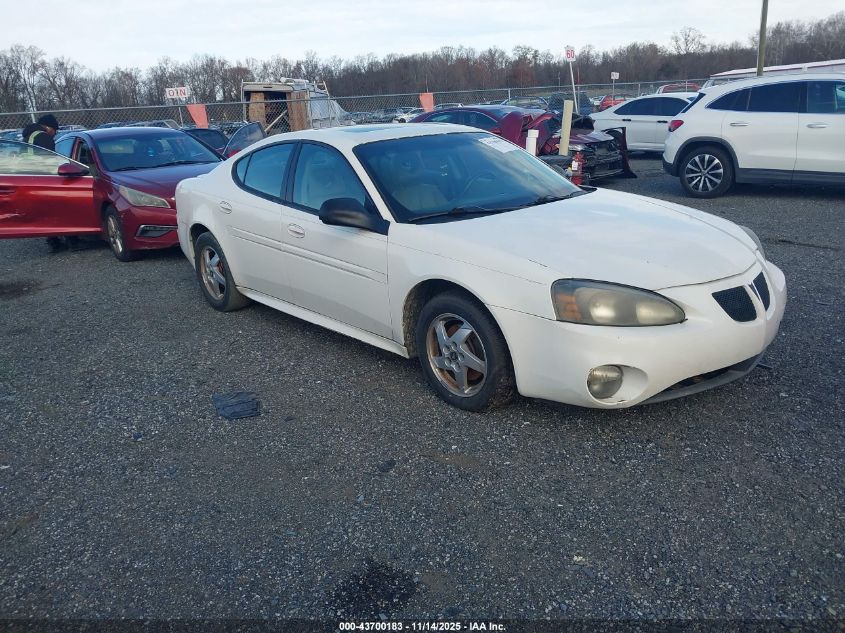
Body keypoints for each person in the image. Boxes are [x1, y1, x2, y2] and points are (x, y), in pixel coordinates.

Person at [21, 115, 79, 252]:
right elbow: (51, 159)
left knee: (46, 210)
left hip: (31, 178)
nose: (55, 134)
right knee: (62, 207)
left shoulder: (28, 136)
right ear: (49, 127)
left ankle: (53, 241)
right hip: (45, 177)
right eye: (55, 130)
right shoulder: (43, 137)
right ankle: (72, 240)